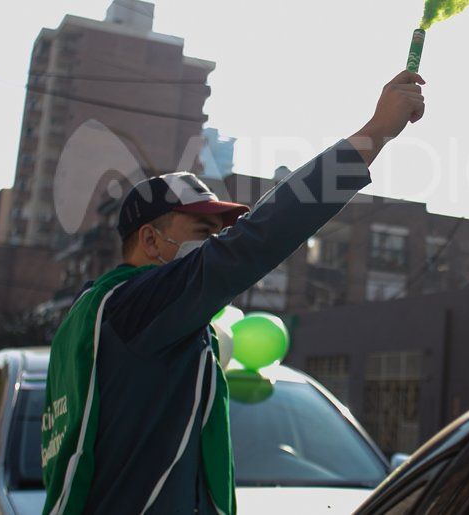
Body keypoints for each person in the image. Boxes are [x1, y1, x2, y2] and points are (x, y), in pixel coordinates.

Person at [42, 70, 426, 515]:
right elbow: (257, 240)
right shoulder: (137, 307)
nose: (215, 243)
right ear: (149, 241)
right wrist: (374, 134)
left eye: (220, 233)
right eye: (203, 231)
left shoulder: (102, 317)